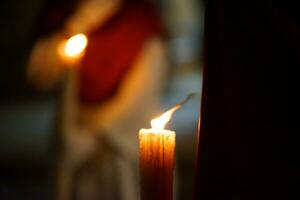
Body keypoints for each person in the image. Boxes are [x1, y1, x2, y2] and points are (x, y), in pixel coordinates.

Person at [27, 0, 168, 199]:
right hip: (73, 130)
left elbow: (143, 87)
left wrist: (90, 133)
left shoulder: (138, 19)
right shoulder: (62, 15)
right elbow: (39, 76)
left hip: (119, 142)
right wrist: (72, 28)